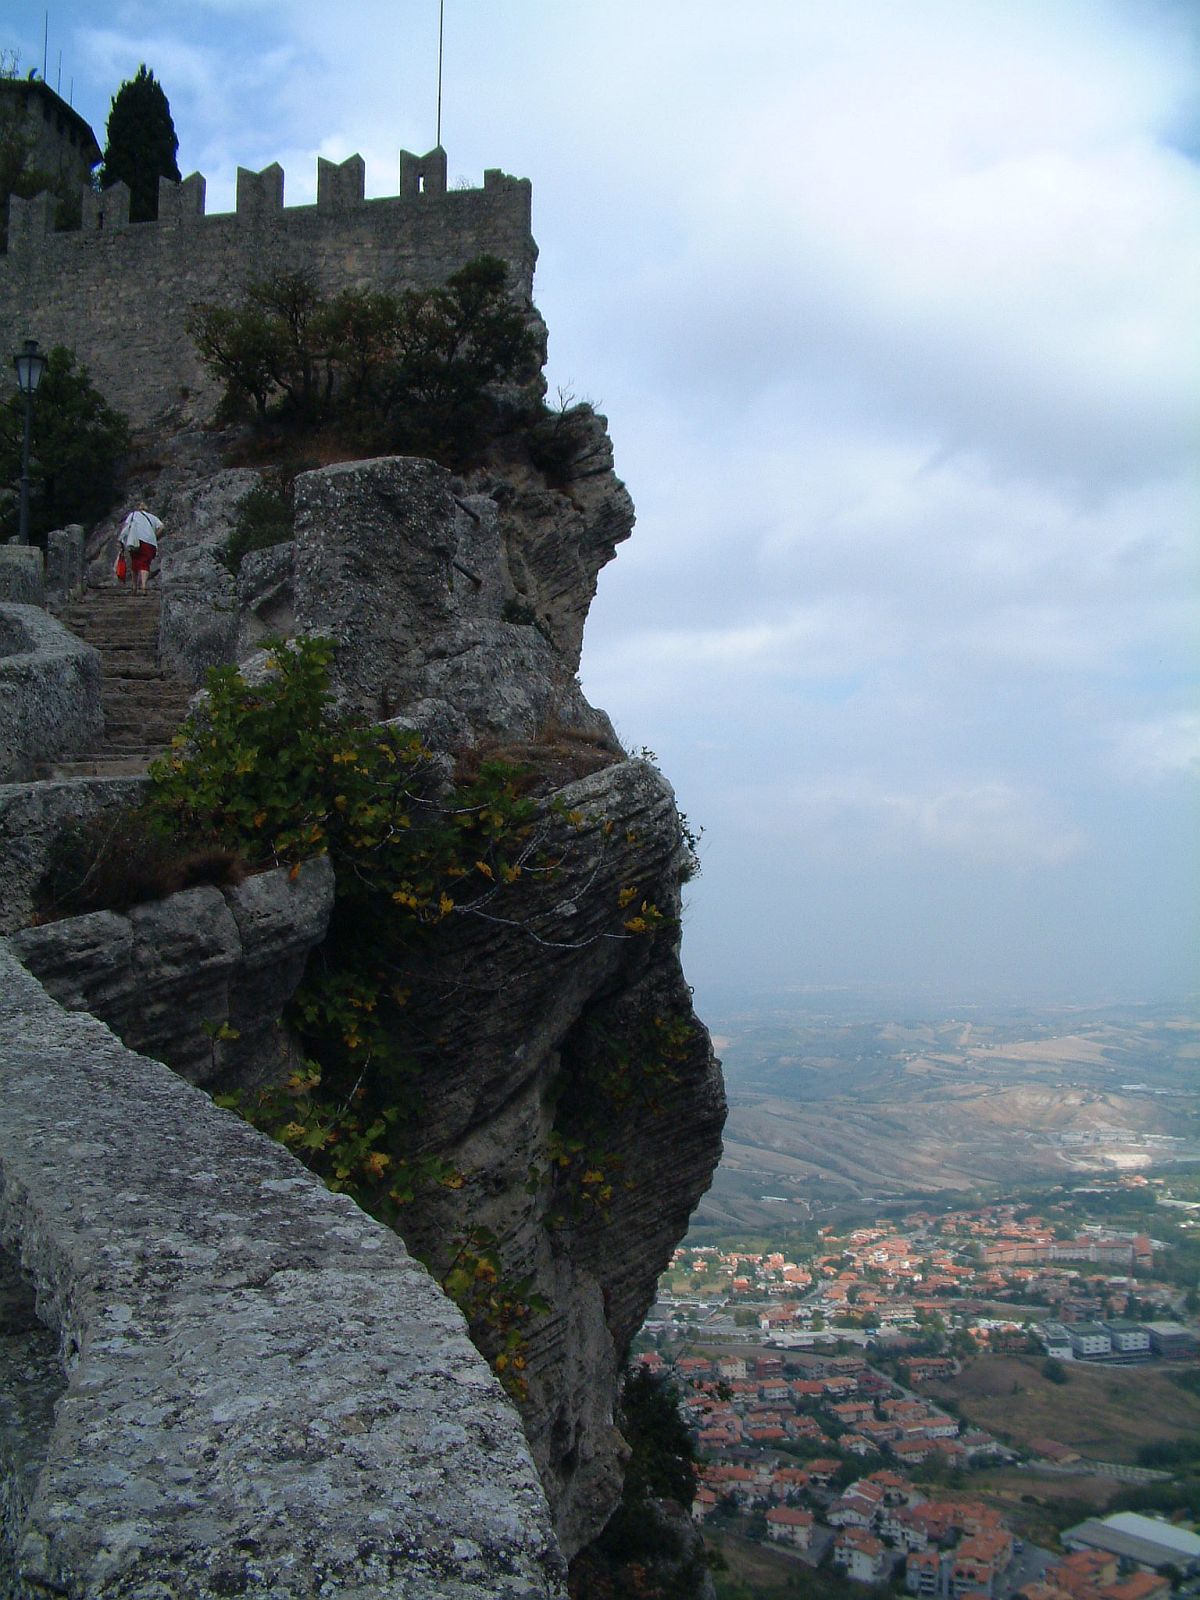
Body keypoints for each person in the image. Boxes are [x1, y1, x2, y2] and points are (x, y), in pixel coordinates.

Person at [116, 506, 164, 595]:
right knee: (145, 564)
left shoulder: (134, 514)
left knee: (135, 563)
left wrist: (121, 540)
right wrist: (154, 536)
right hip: (150, 542)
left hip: (136, 541)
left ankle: (134, 586)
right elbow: (162, 526)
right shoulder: (152, 517)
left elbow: (126, 526)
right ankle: (144, 586)